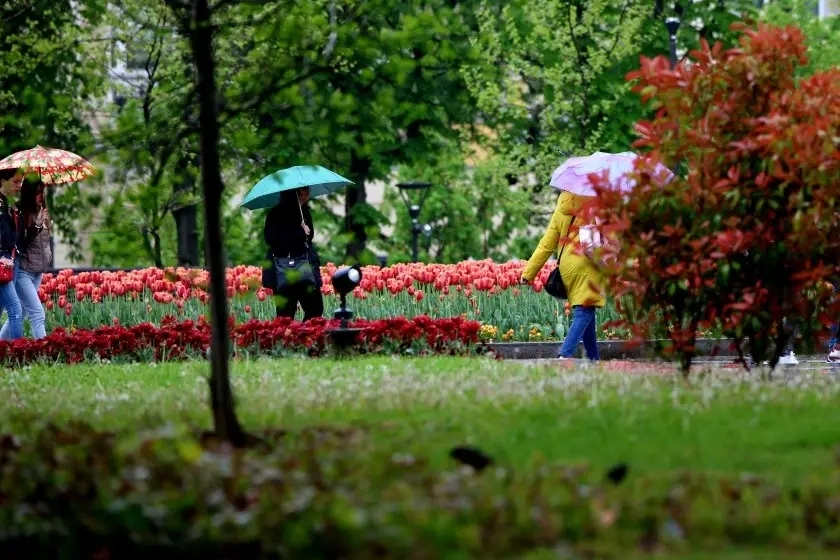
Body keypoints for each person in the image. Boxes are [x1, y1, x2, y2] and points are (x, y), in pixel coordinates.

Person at [520, 190, 605, 360]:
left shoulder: (561, 209)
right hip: (587, 262)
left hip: (566, 266)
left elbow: (546, 244)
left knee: (587, 309)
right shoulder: (595, 204)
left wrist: (528, 273)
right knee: (584, 311)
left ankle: (594, 359)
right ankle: (564, 354)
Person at [263, 187, 324, 321]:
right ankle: (289, 340)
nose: (307, 191)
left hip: (305, 267)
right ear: (293, 192)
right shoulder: (276, 213)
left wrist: (305, 231)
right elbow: (271, 239)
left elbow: (309, 237)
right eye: (303, 188)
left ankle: (304, 337)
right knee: (286, 315)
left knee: (315, 309)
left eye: (308, 187)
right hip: (284, 270)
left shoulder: (305, 212)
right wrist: (299, 231)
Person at [0, 179, 51, 339]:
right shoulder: (21, 212)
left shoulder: (42, 211)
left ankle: (2, 345)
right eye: (37, 192)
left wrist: (46, 225)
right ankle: (44, 354)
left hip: (38, 270)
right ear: (29, 194)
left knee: (19, 314)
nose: (41, 196)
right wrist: (36, 226)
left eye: (43, 192)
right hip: (23, 271)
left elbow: (43, 244)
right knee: (37, 313)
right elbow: (20, 242)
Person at [0, 168, 24, 340]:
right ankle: (20, 352)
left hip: (9, 261)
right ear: (2, 180)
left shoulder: (6, 204)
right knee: (16, 310)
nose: (19, 185)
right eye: (15, 181)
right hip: (3, 262)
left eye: (21, 181)